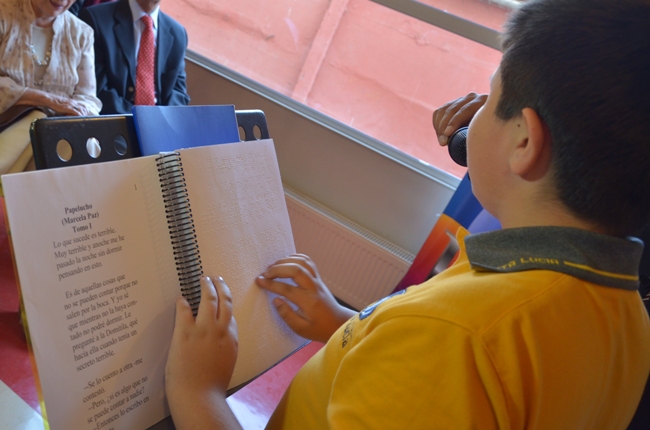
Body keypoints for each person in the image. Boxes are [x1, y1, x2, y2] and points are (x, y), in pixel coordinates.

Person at [164, 0, 650, 428]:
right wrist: (344, 324)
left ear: (523, 141)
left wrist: (198, 392)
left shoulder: (453, 335)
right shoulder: (625, 316)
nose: (473, 111)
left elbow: (444, 361)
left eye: (491, 96)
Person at [0, 0, 101, 174]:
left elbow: (88, 98)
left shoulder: (81, 33)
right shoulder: (3, 13)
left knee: (89, 146)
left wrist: (74, 111)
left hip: (56, 134)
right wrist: (47, 101)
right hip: (8, 128)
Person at [78, 0, 190, 115]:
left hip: (159, 123)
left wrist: (161, 120)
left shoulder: (178, 33)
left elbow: (179, 93)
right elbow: (96, 88)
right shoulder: (96, 18)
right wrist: (141, 119)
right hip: (114, 119)